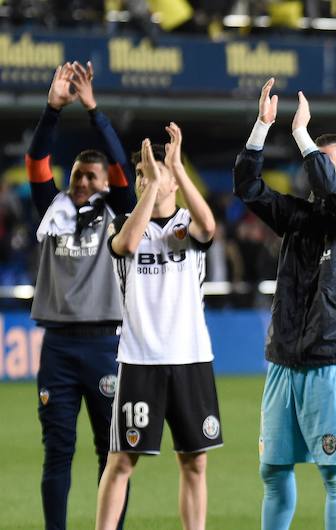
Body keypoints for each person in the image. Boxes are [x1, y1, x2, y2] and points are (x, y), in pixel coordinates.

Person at [233, 79, 336, 530]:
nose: (313, 170)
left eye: (325, 163)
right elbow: (247, 187)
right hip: (284, 357)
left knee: (334, 473)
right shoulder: (298, 217)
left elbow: (329, 187)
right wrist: (262, 127)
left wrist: (301, 134)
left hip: (331, 357)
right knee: (273, 471)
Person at [26, 61, 135, 530]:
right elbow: (36, 161)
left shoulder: (120, 214)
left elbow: (123, 168)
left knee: (112, 453)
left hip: (106, 346)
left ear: (106, 183)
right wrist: (52, 110)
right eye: (78, 175)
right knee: (57, 451)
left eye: (93, 176)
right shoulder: (51, 210)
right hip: (58, 348)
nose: (84, 182)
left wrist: (94, 111)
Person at [95, 127, 221, 530]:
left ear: (176, 179)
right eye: (139, 174)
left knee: (195, 462)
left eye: (152, 171)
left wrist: (176, 169)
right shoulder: (123, 224)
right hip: (139, 360)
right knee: (121, 461)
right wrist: (152, 184)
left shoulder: (186, 223)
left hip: (190, 358)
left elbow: (208, 227)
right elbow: (128, 245)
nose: (143, 178)